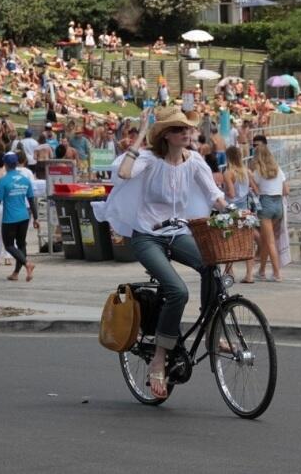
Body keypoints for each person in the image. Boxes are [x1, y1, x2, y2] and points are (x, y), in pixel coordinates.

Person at [114, 107, 228, 400]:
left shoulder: (195, 162)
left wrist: (234, 211)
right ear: (165, 135)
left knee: (211, 264)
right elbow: (125, 173)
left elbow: (215, 196)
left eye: (187, 129)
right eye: (178, 129)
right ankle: (158, 358)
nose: (186, 133)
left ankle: (213, 328)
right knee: (177, 291)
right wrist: (140, 135)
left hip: (176, 233)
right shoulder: (151, 160)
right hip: (147, 236)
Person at [0, 153, 38, 282]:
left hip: (10, 218)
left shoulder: (3, 181)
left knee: (9, 245)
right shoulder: (25, 180)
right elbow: (32, 201)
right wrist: (36, 218)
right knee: (21, 245)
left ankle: (27, 264)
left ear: (5, 164)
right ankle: (16, 273)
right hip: (24, 217)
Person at [252, 145, 288, 282]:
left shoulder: (258, 172)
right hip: (278, 205)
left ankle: (276, 273)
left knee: (270, 241)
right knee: (268, 240)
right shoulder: (279, 170)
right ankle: (261, 270)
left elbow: (255, 190)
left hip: (265, 204)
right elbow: (286, 190)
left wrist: (251, 180)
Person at [223, 145, 256, 283]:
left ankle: (230, 272)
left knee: (228, 241)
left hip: (232, 210)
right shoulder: (247, 171)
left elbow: (231, 193)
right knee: (247, 242)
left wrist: (222, 192)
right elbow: (255, 188)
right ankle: (249, 274)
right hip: (245, 210)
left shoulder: (228, 173)